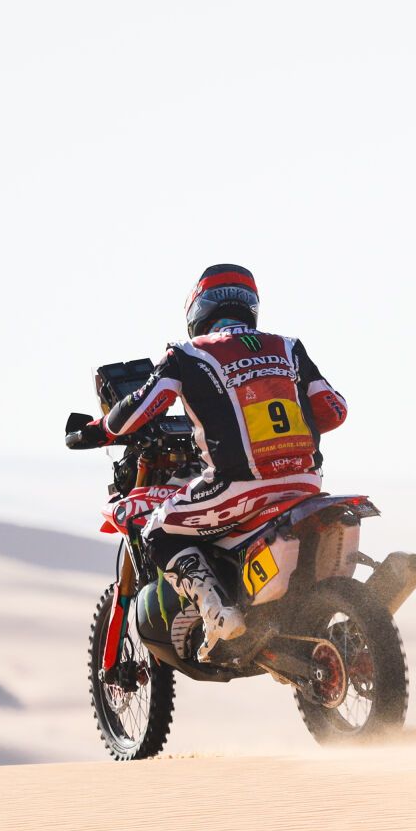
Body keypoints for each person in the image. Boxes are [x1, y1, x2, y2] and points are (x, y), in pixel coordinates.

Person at [96, 264, 348, 658]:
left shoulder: (187, 353)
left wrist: (104, 427)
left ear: (197, 309)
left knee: (158, 529)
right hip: (305, 482)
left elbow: (136, 413)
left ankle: (217, 612)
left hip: (238, 487)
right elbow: (335, 410)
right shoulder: (289, 347)